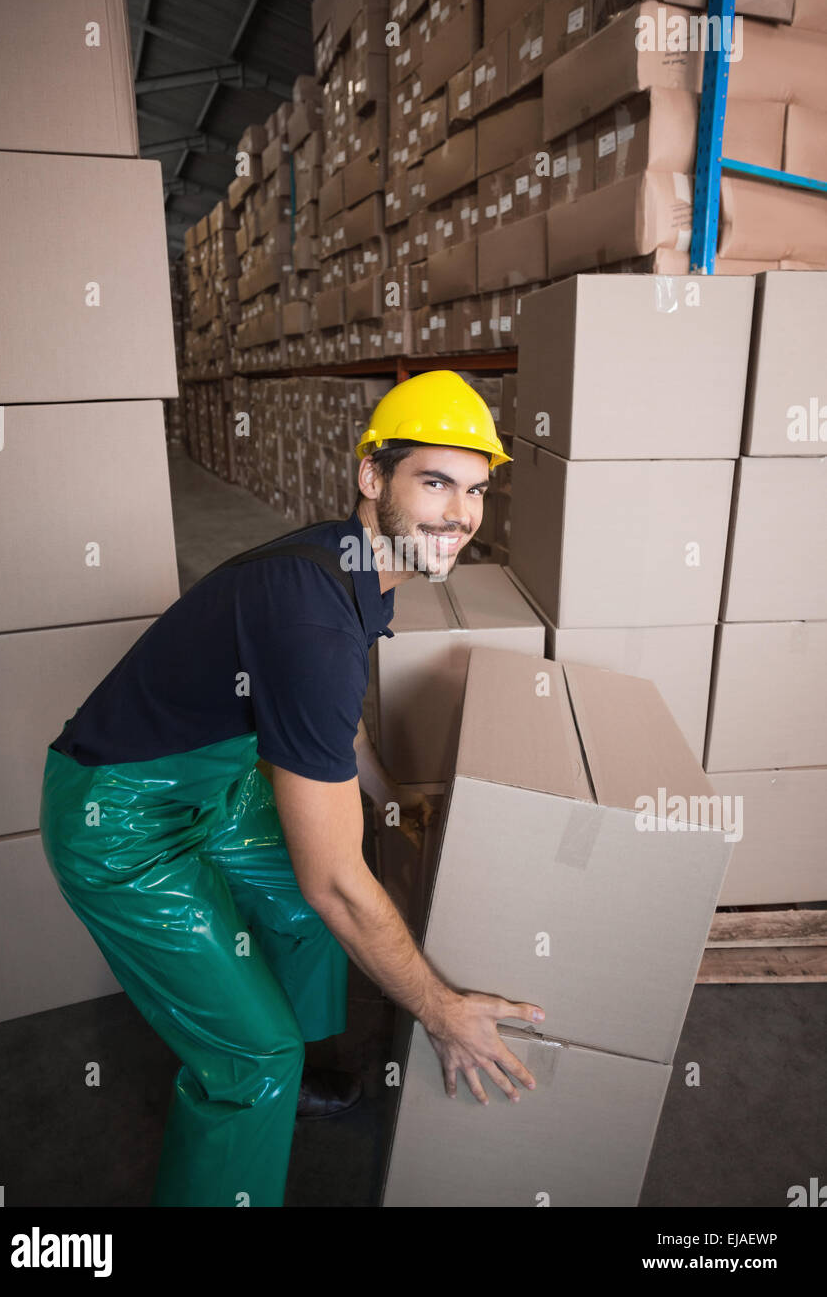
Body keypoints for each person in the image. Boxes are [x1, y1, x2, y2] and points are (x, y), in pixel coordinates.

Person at [38, 369, 545, 1208]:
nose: (460, 513)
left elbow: (338, 725)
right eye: (435, 482)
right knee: (253, 1051)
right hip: (119, 819)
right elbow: (336, 882)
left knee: (303, 917)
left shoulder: (361, 566)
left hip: (217, 785)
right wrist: (441, 1010)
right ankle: (263, 1069)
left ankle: (295, 1072)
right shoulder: (310, 620)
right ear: (371, 477)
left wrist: (386, 798)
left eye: (476, 490)